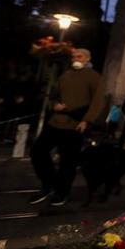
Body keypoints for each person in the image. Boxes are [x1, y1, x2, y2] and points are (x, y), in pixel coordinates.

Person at [28, 48, 103, 207]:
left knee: (67, 162)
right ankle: (49, 184)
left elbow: (98, 101)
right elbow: (53, 95)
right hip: (56, 122)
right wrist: (54, 105)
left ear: (87, 58)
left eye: (79, 56)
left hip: (75, 125)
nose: (75, 58)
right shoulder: (65, 75)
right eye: (73, 56)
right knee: (37, 151)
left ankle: (61, 192)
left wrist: (86, 121)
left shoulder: (94, 77)